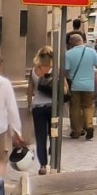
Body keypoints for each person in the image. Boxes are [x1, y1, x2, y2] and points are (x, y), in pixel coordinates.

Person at [64, 33, 97, 139]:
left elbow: (65, 70)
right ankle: (89, 125)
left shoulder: (68, 54)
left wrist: (66, 80)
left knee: (75, 108)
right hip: (89, 86)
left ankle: (76, 131)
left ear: (71, 43)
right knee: (88, 106)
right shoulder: (92, 52)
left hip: (74, 85)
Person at [27, 46, 54, 175]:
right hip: (52, 106)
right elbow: (64, 88)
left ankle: (43, 165)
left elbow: (29, 90)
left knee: (40, 137)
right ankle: (53, 158)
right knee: (54, 134)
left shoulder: (34, 71)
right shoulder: (55, 70)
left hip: (37, 106)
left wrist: (29, 105)